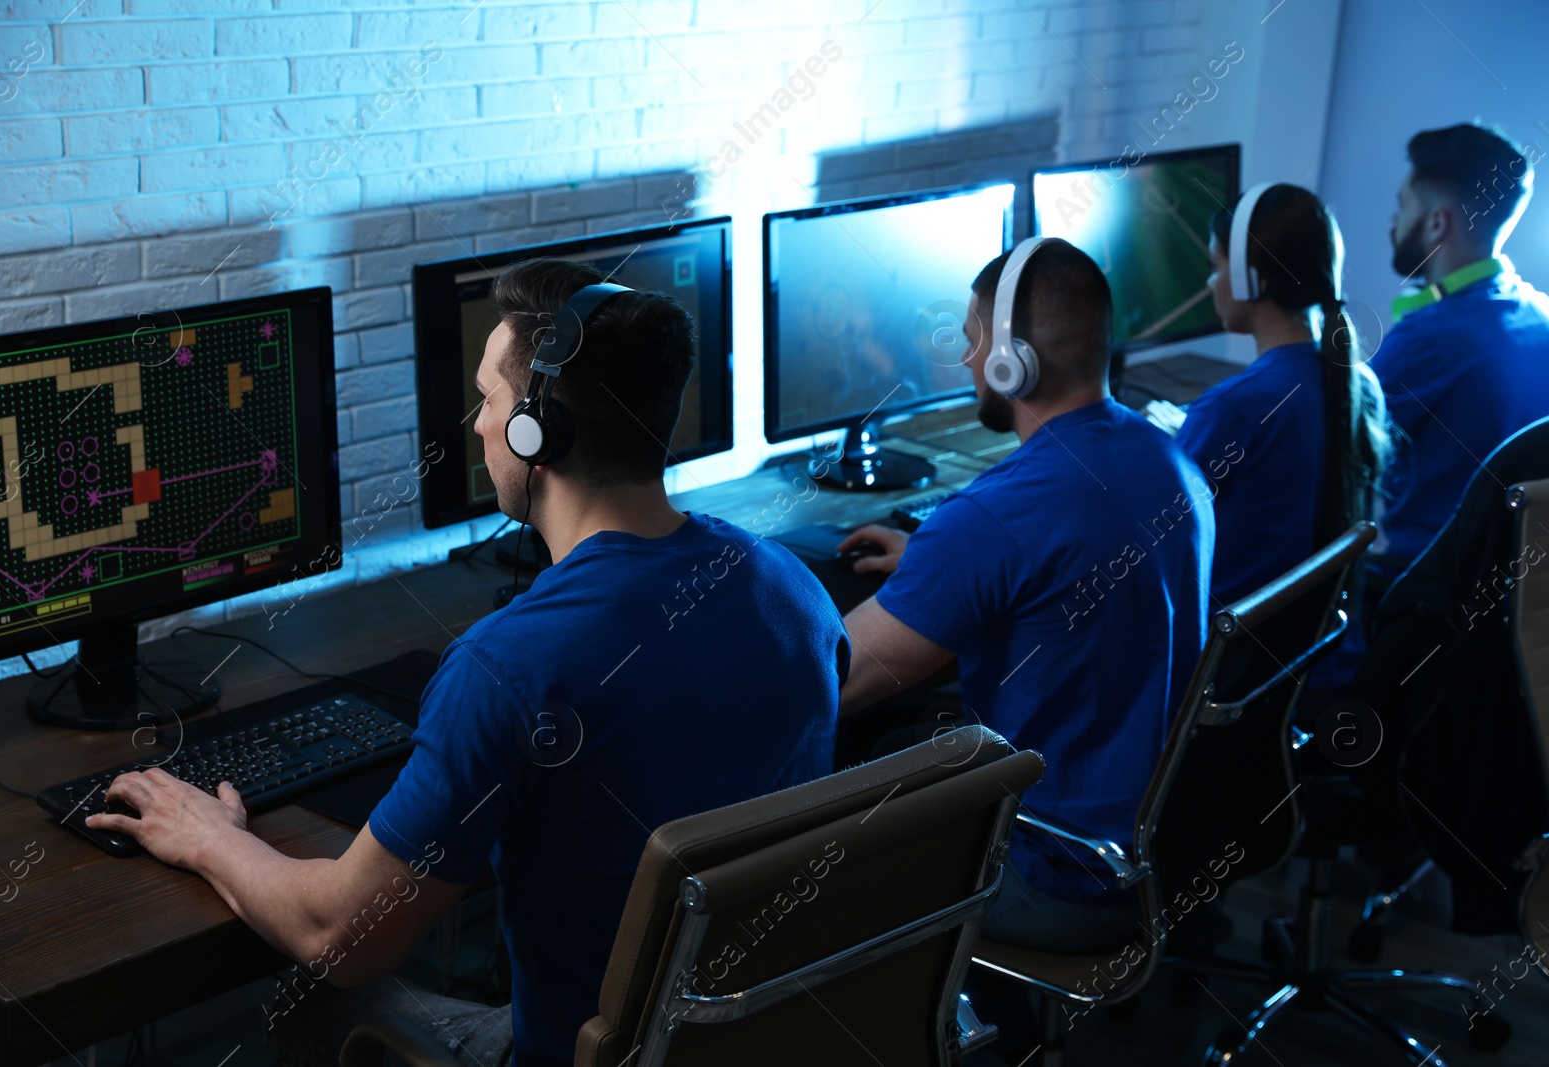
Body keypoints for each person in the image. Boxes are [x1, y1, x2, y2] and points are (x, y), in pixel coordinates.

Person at [85, 258, 851, 1067]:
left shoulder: (508, 666)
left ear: (535, 431)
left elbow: (339, 935)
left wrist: (206, 835)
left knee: (314, 999)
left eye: (488, 398)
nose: (479, 424)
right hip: (764, 1032)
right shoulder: (792, 591)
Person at [836, 239, 1213, 951]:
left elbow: (834, 678)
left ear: (1015, 361)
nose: (969, 361)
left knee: (815, 826)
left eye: (975, 340)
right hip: (1154, 835)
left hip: (1052, 867)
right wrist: (943, 568)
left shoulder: (994, 519)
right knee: (893, 741)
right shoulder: (1170, 459)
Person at [1177, 184, 1390, 686]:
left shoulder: (1235, 407)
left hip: (1224, 671)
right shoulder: (1360, 385)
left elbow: (1157, 545)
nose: (1211, 282)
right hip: (1312, 660)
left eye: (1216, 264)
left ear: (1254, 279)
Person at [1371, 122, 1549, 587]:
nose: (1392, 221)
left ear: (1436, 222)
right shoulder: (1543, 315)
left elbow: (1334, 439)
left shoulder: (1428, 339)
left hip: (1418, 588)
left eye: (1402, 204)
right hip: (1510, 586)